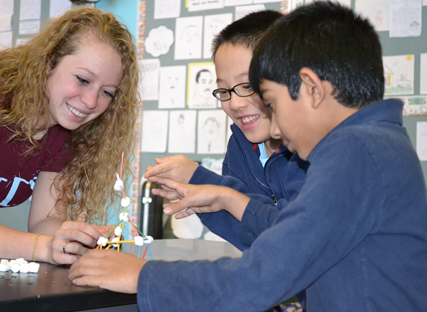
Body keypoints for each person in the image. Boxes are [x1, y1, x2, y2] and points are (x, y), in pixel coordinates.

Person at [69, 2, 427, 311]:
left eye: (270, 101)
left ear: (313, 89)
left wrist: (142, 276)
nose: (275, 129)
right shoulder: (377, 145)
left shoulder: (355, 152)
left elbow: (263, 275)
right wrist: (225, 197)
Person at [0, 7, 139, 265]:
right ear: (48, 63)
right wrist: (44, 247)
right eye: (83, 80)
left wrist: (74, 240)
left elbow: (46, 220)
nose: (90, 102)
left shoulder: (68, 131)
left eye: (107, 93)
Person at [144, 10, 307, 252]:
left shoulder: (311, 149)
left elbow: (298, 236)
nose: (235, 103)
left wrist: (206, 183)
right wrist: (198, 192)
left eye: (248, 85)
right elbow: (248, 237)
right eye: (224, 91)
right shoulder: (239, 147)